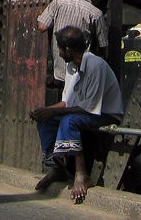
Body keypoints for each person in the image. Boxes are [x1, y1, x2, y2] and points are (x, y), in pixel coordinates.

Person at [30, 26, 123, 204]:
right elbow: (67, 102)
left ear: (68, 50)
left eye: (59, 48)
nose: (58, 52)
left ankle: (81, 174)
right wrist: (45, 111)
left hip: (105, 114)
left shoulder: (96, 66)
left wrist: (53, 111)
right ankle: (57, 167)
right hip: (84, 112)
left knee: (69, 120)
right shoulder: (72, 67)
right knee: (46, 121)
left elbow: (89, 107)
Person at [37, 0, 110, 87]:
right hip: (81, 74)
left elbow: (42, 26)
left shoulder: (57, 3)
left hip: (59, 74)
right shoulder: (96, 13)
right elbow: (103, 46)